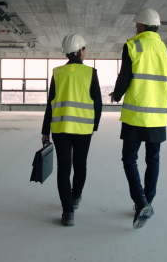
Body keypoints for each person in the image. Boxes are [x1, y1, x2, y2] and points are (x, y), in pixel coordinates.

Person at [110, 7, 167, 229]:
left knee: (129, 158)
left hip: (135, 115)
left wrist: (116, 94)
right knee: (153, 159)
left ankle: (140, 201)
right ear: (156, 27)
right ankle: (148, 201)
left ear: (140, 26)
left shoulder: (133, 45)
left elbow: (124, 77)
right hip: (158, 117)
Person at [41, 33, 103, 227]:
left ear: (67, 53)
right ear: (81, 51)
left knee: (64, 169)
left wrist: (45, 131)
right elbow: (98, 103)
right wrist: (94, 126)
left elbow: (50, 104)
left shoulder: (57, 73)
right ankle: (75, 198)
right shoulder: (90, 73)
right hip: (84, 129)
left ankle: (68, 213)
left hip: (60, 128)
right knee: (80, 165)